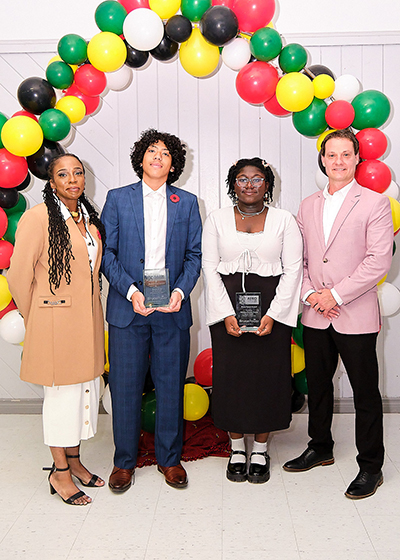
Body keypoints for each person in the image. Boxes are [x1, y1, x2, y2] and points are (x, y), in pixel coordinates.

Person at [283, 129, 393, 500]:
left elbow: (378, 260)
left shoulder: (375, 203)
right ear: (323, 159)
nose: (339, 161)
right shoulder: (307, 205)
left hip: (356, 312)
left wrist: (337, 294)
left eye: (347, 154)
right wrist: (313, 294)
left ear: (357, 159)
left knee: (365, 393)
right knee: (319, 385)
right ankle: (321, 446)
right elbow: (300, 260)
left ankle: (371, 466)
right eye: (332, 155)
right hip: (316, 314)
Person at [101, 128, 202, 493]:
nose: (158, 157)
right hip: (128, 309)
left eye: (165, 154)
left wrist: (179, 291)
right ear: (140, 159)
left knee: (171, 386)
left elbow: (194, 256)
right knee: (125, 388)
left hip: (172, 309)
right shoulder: (117, 199)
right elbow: (106, 254)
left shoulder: (187, 202)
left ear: (173, 165)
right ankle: (124, 462)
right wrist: (130, 291)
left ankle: (170, 460)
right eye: (151, 151)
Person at [7, 153, 106, 505]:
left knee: (83, 393)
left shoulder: (88, 219)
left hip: (87, 321)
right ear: (51, 182)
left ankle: (75, 461)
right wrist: (39, 315)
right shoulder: (37, 218)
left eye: (78, 172)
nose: (73, 179)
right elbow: (18, 276)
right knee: (61, 399)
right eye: (63, 174)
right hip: (54, 324)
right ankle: (59, 472)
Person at [202, 158, 303, 483]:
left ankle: (260, 447)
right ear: (233, 184)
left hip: (273, 305)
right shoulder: (216, 219)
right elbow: (209, 267)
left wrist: (274, 314)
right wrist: (224, 313)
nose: (249, 184)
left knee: (266, 378)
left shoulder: (284, 220)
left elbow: (293, 270)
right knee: (231, 376)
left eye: (257, 179)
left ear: (267, 184)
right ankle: (236, 447)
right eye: (242, 179)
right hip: (226, 305)